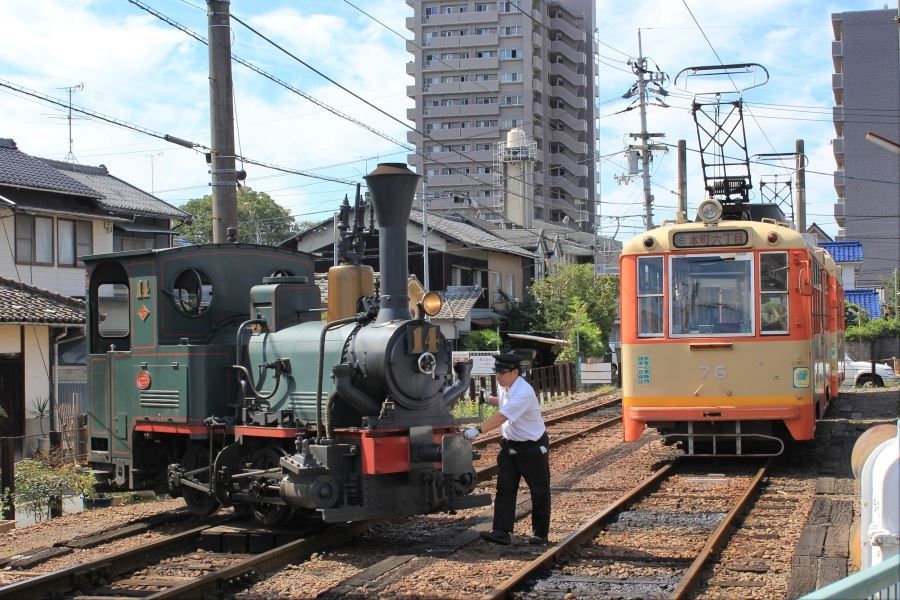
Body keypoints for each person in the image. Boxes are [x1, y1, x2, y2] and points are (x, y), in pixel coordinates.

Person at [462, 352, 550, 546]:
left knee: (539, 490)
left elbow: (503, 416)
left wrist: (477, 430)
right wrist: (488, 399)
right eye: (496, 372)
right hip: (510, 445)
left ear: (515, 372)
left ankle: (540, 534)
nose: (498, 376)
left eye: (502, 372)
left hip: (532, 447)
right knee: (505, 488)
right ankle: (501, 531)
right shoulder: (506, 386)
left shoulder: (524, 392)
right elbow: (504, 402)